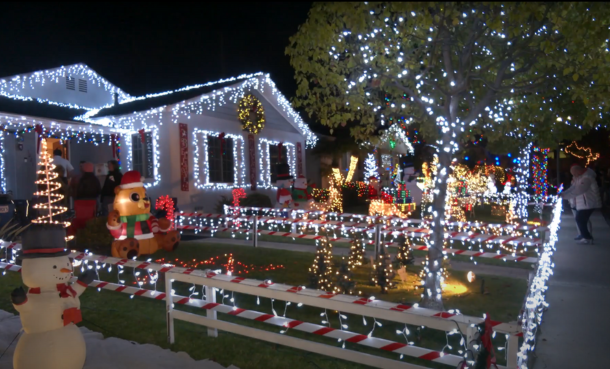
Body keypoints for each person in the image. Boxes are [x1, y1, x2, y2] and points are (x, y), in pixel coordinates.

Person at [560, 164, 602, 244]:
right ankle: (584, 235)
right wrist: (563, 193)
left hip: (588, 202)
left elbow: (579, 190)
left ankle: (587, 237)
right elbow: (573, 188)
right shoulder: (579, 177)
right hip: (583, 203)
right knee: (581, 219)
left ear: (578, 171)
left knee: (580, 219)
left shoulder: (587, 178)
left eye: (574, 173)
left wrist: (564, 196)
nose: (574, 176)